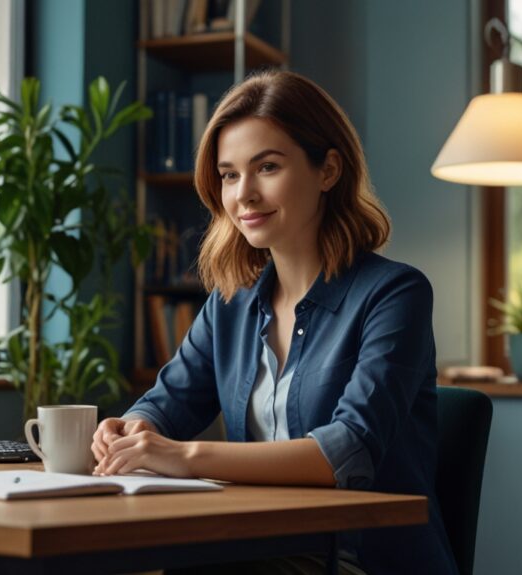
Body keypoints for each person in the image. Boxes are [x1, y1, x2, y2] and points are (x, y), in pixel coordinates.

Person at [92, 70, 459, 575]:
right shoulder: (229, 304)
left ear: (328, 170)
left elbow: (346, 450)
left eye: (266, 167)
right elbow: (166, 403)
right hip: (262, 547)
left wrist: (186, 456)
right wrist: (131, 430)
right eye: (228, 174)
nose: (244, 194)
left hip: (363, 559)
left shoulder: (396, 294)